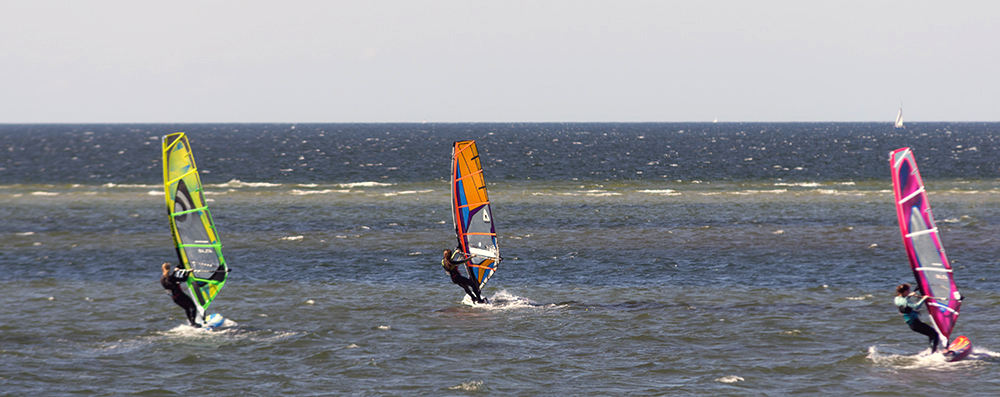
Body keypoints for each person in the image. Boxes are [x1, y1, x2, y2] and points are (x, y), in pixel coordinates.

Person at [894, 283, 939, 353]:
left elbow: (903, 301)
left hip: (912, 324)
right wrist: (923, 299)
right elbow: (916, 306)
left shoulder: (896, 299)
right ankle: (933, 353)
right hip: (916, 324)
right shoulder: (905, 300)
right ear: (905, 291)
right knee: (935, 334)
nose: (909, 292)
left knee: (931, 334)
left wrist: (909, 295)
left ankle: (932, 351)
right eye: (908, 291)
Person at [161, 262, 201, 327]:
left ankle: (192, 323)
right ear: (169, 269)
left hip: (174, 298)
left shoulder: (162, 279)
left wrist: (175, 271)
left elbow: (170, 279)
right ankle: (193, 323)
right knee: (193, 307)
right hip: (180, 296)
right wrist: (188, 272)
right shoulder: (171, 278)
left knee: (187, 308)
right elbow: (184, 279)